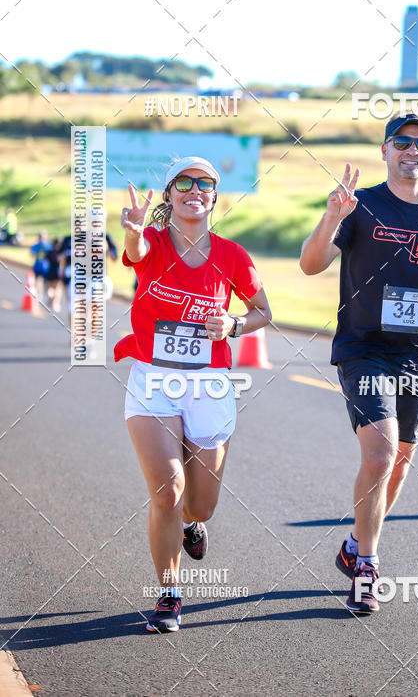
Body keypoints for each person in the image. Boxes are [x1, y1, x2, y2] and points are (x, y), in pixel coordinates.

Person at [300, 114, 418, 614]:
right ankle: (368, 567)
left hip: (416, 354)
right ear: (385, 151)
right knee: (380, 455)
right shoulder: (363, 207)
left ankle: (354, 545)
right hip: (363, 348)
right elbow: (311, 264)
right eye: (402, 142)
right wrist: (332, 217)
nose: (412, 150)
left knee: (400, 463)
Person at [114, 156, 271, 634]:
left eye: (205, 183)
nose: (194, 189)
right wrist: (133, 230)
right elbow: (136, 251)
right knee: (168, 491)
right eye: (184, 182)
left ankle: (191, 525)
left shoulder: (233, 256)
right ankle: (168, 594)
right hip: (154, 381)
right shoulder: (155, 243)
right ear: (170, 195)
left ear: (214, 197)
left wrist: (234, 324)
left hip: (208, 385)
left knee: (199, 505)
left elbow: (263, 311)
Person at [30, 230, 53, 302]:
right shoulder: (49, 245)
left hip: (38, 265)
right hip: (46, 266)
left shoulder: (37, 245)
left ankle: (39, 296)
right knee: (46, 282)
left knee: (38, 280)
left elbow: (32, 253)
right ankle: (49, 295)